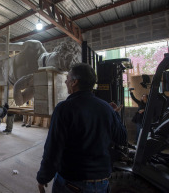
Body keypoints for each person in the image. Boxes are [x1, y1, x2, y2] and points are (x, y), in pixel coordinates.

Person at [37, 63, 127, 193]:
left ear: (74, 82)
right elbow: (122, 138)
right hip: (102, 182)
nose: (65, 81)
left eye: (67, 78)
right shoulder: (106, 108)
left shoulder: (64, 109)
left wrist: (43, 178)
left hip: (73, 183)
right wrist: (115, 114)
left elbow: (53, 149)